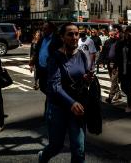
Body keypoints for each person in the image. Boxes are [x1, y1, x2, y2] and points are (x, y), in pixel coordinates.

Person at [38, 23, 94, 163]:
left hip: (77, 108)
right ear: (62, 37)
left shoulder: (81, 55)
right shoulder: (55, 58)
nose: (74, 37)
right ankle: (43, 157)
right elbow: (55, 86)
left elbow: (82, 78)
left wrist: (86, 79)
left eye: (77, 34)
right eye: (70, 34)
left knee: (79, 149)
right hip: (58, 108)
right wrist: (71, 102)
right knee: (56, 146)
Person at [29, 22, 60, 94]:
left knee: (51, 90)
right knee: (43, 87)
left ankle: (50, 101)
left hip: (50, 70)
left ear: (51, 29)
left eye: (45, 29)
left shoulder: (57, 39)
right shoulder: (42, 39)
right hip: (41, 69)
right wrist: (32, 61)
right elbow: (37, 51)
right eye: (43, 29)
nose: (43, 31)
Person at [99, 25, 122, 103]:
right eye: (111, 32)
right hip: (109, 63)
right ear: (109, 33)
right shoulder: (107, 41)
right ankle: (118, 93)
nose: (112, 34)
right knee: (113, 80)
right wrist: (101, 61)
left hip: (117, 64)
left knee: (113, 80)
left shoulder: (119, 41)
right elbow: (103, 52)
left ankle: (110, 97)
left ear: (116, 33)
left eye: (114, 32)